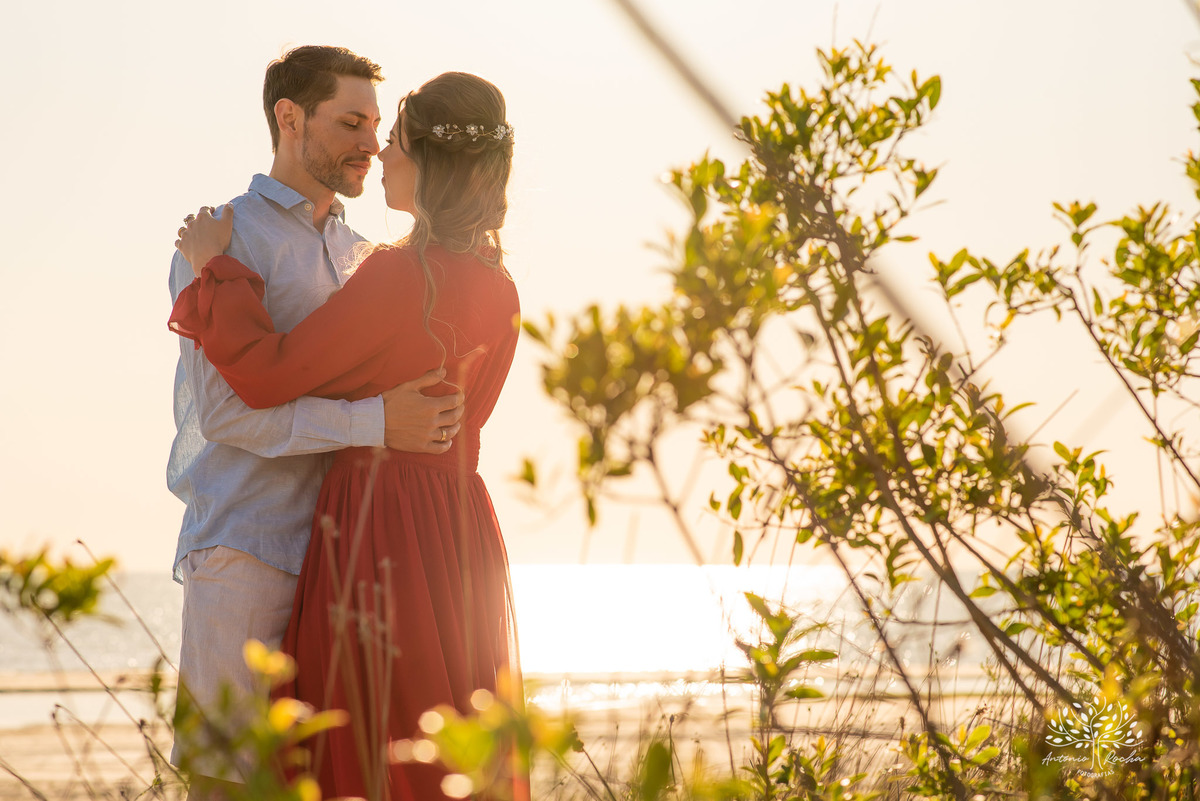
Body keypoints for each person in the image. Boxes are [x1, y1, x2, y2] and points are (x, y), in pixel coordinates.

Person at [171, 71, 523, 801]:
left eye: (391, 139)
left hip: (380, 526)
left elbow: (268, 374)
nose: (379, 155)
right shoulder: (500, 286)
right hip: (459, 537)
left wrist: (218, 271)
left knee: (362, 747)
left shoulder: (399, 275)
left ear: (428, 163)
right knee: (442, 745)